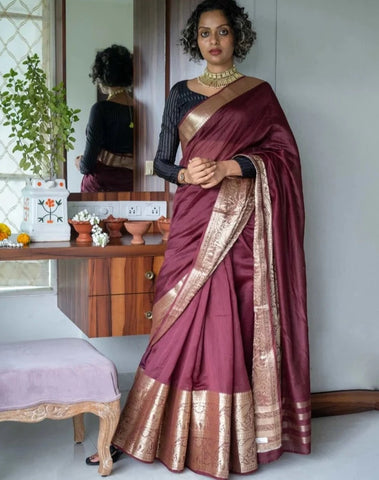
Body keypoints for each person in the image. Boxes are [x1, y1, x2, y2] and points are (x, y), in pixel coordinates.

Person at [86, 1, 311, 478]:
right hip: (193, 220)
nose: (214, 41)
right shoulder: (180, 95)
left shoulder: (260, 95)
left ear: (238, 38)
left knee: (232, 319)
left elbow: (284, 157)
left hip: (240, 225)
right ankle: (143, 431)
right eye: (205, 33)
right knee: (175, 320)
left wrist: (232, 166)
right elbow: (162, 162)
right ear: (196, 41)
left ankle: (227, 440)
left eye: (224, 32)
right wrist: (187, 172)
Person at [75, 44, 134, 192]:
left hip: (100, 187)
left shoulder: (100, 109)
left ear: (101, 76)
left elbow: (87, 165)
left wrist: (79, 162)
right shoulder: (140, 109)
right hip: (132, 185)